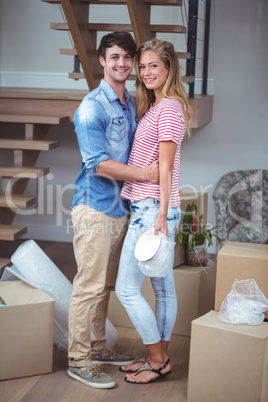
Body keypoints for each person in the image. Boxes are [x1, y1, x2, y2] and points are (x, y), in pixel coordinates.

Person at [67, 31, 159, 389]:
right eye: (114, 57)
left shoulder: (129, 102)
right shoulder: (92, 106)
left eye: (127, 58)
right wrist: (146, 174)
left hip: (121, 209)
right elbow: (97, 164)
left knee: (104, 285)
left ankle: (98, 349)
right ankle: (78, 360)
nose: (121, 63)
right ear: (102, 61)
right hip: (95, 209)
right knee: (88, 287)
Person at [115, 38, 192, 384]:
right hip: (153, 208)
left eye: (153, 66)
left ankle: (157, 359)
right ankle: (158, 358)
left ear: (169, 68)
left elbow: (166, 167)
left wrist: (161, 215)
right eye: (142, 66)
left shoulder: (170, 108)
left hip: (152, 211)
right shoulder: (155, 105)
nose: (145, 72)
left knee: (127, 290)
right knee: (163, 291)